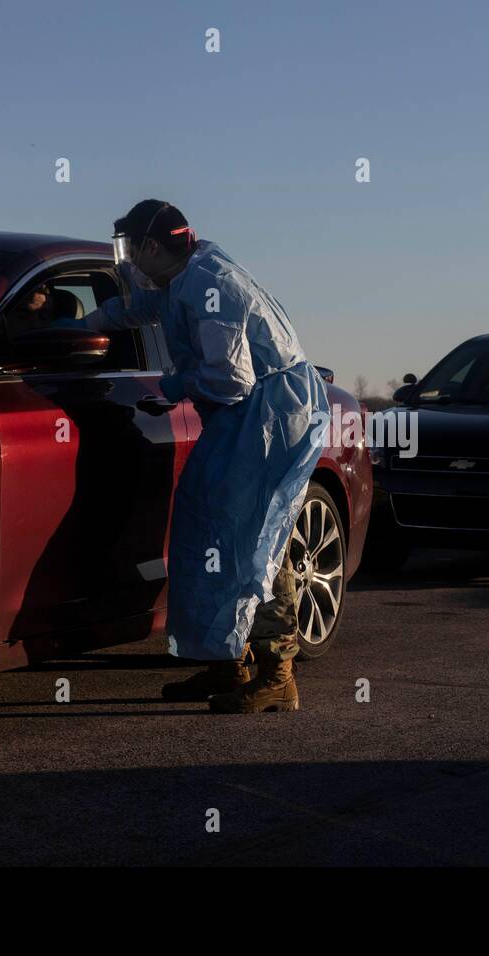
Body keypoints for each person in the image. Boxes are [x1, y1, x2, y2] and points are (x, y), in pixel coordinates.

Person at [83, 200, 329, 712]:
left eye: (131, 249)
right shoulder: (184, 278)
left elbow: (230, 379)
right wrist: (83, 323)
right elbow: (148, 309)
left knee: (255, 540)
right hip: (247, 416)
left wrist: (170, 385)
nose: (128, 262)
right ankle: (226, 662)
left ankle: (277, 674)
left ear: (152, 246)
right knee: (206, 531)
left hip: (270, 416)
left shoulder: (210, 282)